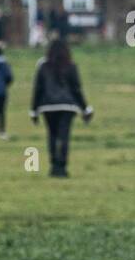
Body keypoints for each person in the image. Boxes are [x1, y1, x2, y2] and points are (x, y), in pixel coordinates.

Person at [30, 37, 93, 177]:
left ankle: (53, 165)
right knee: (64, 136)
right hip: (67, 106)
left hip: (47, 106)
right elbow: (76, 89)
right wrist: (85, 108)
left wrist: (33, 110)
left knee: (52, 135)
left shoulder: (43, 66)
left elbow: (38, 89)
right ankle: (63, 166)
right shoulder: (71, 65)